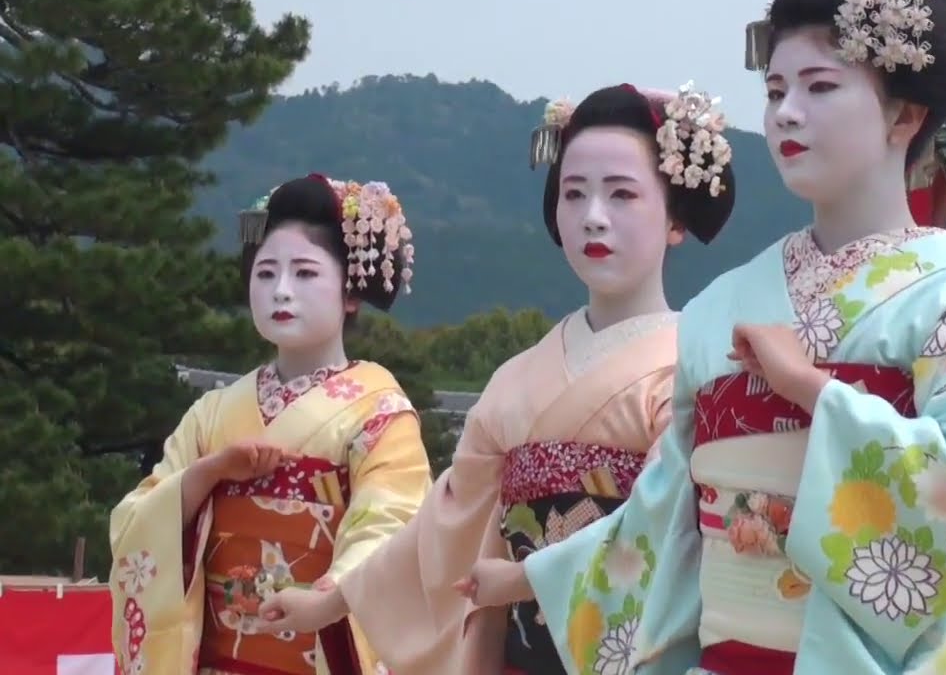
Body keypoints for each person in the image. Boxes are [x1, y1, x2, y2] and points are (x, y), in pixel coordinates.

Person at [460, 0, 946, 674]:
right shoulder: (720, 308)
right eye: (774, 90)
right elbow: (660, 516)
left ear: (905, 113)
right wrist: (530, 577)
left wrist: (814, 391)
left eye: (820, 86)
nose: (786, 112)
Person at [256, 82, 737, 674]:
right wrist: (334, 600)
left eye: (622, 195)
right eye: (574, 193)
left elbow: (667, 523)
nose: (593, 217)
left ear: (675, 220)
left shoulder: (697, 363)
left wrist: (525, 576)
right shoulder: (517, 378)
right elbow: (447, 519)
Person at [108, 175, 432, 674]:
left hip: (320, 651)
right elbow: (134, 522)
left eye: (304, 273)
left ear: (350, 293)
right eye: (265, 274)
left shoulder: (380, 410)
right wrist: (208, 472)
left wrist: (332, 595)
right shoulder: (214, 411)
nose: (281, 291)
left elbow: (394, 522)